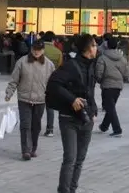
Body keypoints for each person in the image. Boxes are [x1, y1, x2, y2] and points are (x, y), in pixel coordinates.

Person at [46, 34, 98, 193]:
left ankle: (72, 189)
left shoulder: (91, 65)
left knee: (80, 160)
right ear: (89, 48)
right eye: (95, 45)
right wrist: (72, 99)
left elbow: (90, 91)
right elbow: (53, 84)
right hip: (69, 119)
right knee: (70, 158)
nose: (97, 48)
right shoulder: (71, 65)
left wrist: (93, 110)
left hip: (86, 119)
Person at [5, 41, 55, 161]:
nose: (36, 52)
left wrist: (53, 97)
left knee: (36, 126)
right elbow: (14, 80)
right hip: (24, 99)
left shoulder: (49, 65)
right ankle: (26, 150)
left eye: (39, 50)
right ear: (31, 49)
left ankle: (33, 147)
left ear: (43, 50)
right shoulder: (22, 62)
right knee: (25, 125)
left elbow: (53, 84)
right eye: (34, 49)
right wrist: (9, 93)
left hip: (40, 100)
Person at [95, 36, 129, 137]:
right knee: (111, 107)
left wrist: (99, 80)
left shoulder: (102, 58)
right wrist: (124, 79)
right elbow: (126, 73)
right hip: (118, 86)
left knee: (110, 107)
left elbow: (99, 73)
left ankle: (117, 129)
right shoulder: (122, 58)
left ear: (107, 45)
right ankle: (104, 126)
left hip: (107, 85)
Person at [41, 31, 63, 138]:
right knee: (50, 106)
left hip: (38, 80)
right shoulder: (58, 52)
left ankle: (35, 126)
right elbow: (59, 68)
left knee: (37, 105)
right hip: (52, 81)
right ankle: (50, 129)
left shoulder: (39, 50)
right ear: (53, 40)